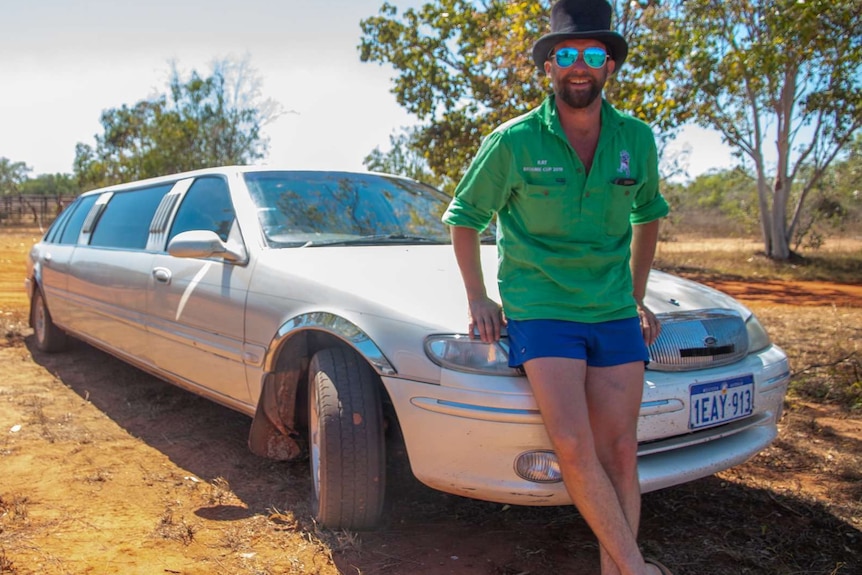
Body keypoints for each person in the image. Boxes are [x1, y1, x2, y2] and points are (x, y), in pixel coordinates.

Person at [442, 1, 672, 574]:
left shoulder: (636, 139)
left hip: (614, 310)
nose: (578, 66)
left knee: (620, 451)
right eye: (565, 53)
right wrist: (477, 296)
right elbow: (464, 217)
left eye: (592, 55)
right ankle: (636, 568)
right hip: (543, 309)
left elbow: (649, 214)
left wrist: (637, 296)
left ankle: (618, 570)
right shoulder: (514, 141)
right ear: (549, 65)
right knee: (572, 444)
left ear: (608, 67)